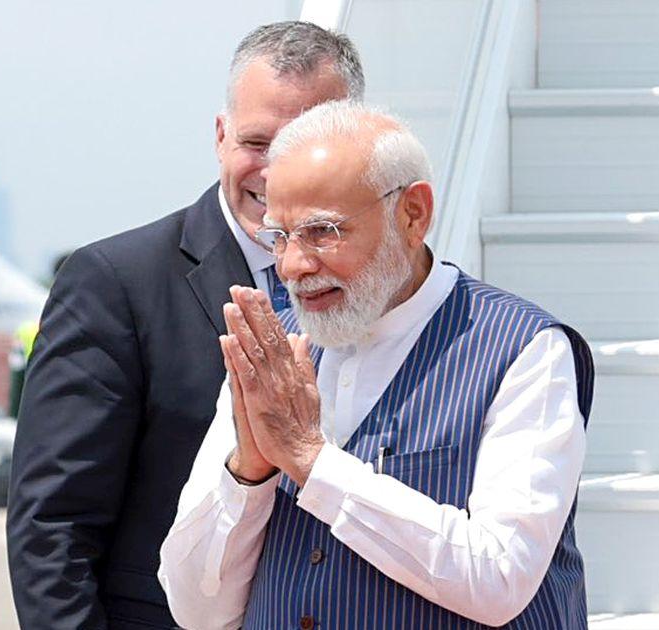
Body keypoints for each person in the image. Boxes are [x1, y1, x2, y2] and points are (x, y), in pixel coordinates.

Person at [158, 101, 595, 628]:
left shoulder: (522, 349)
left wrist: (310, 460)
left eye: (322, 231)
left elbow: (500, 577)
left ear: (412, 214)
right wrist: (249, 473)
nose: (293, 266)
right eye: (279, 237)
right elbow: (197, 611)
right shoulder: (273, 353)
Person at [8, 22, 364, 628]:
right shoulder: (115, 284)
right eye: (257, 142)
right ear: (221, 136)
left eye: (304, 144)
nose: (276, 172)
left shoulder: (388, 288)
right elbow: (52, 534)